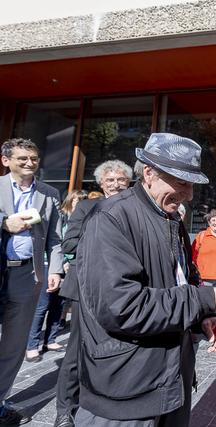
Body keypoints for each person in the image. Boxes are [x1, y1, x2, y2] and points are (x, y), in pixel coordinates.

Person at [75, 133, 216, 426]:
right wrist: (204, 299)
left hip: (171, 379)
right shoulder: (112, 218)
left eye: (192, 184)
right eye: (181, 182)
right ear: (149, 173)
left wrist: (201, 318)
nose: (190, 195)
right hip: (126, 390)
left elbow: (178, 282)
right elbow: (122, 307)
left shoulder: (172, 220)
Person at [53, 160, 132, 427]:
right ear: (100, 183)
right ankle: (64, 411)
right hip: (86, 288)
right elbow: (70, 242)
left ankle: (106, 400)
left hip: (122, 289)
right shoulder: (87, 207)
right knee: (76, 350)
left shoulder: (134, 209)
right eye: (109, 180)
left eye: (121, 179)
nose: (115, 184)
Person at [0, 138, 63, 426]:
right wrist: (3, 224)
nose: (29, 163)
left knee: (14, 346)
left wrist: (56, 269)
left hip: (28, 275)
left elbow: (55, 238)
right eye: (23, 158)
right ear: (6, 160)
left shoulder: (49, 194)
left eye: (34, 158)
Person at [24, 190, 87, 363]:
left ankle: (50, 340)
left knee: (58, 305)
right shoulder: (63, 217)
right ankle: (32, 345)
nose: (80, 202)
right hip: (48, 265)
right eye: (77, 200)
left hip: (68, 268)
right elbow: (56, 241)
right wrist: (63, 261)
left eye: (83, 200)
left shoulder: (85, 218)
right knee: (42, 306)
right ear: (70, 201)